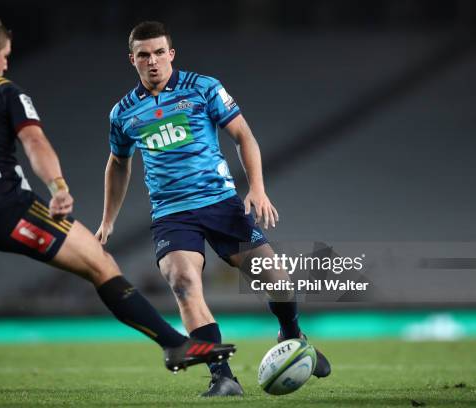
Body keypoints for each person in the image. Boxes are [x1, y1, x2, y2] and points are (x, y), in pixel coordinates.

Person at [0, 13, 235, 406]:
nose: (6, 64)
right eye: (5, 56)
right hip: (10, 211)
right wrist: (58, 187)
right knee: (101, 265)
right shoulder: (3, 90)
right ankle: (174, 345)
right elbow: (34, 141)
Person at [96, 21, 331, 397]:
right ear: (132, 60)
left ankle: (292, 335)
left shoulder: (203, 88)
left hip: (220, 204)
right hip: (172, 215)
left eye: (159, 52)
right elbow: (118, 164)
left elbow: (243, 136)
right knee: (183, 282)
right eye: (144, 55)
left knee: (278, 282)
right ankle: (222, 376)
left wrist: (257, 188)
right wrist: (108, 221)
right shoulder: (123, 113)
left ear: (171, 54)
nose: (153, 61)